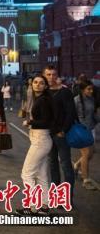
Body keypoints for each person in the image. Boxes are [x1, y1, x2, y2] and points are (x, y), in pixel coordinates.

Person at [16, 75, 55, 216]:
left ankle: (31, 206)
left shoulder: (43, 100)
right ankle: (44, 206)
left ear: (45, 86)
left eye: (41, 83)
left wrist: (30, 122)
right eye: (35, 82)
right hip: (41, 139)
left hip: (40, 140)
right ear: (32, 85)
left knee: (26, 174)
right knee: (42, 175)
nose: (38, 85)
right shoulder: (40, 99)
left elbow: (46, 121)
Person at [43, 65, 76, 198]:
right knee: (52, 164)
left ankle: (67, 198)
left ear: (57, 76)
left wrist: (63, 130)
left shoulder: (65, 92)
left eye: (54, 74)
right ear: (44, 75)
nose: (51, 77)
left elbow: (71, 113)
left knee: (66, 165)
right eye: (48, 74)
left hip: (61, 134)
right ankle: (55, 196)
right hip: (47, 134)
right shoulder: (43, 91)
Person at [73, 80, 98, 190]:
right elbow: (74, 116)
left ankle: (77, 165)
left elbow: (93, 115)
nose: (91, 91)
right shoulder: (77, 100)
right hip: (81, 131)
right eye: (89, 89)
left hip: (91, 129)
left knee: (90, 154)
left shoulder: (92, 99)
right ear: (83, 89)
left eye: (92, 89)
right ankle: (85, 179)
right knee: (86, 153)